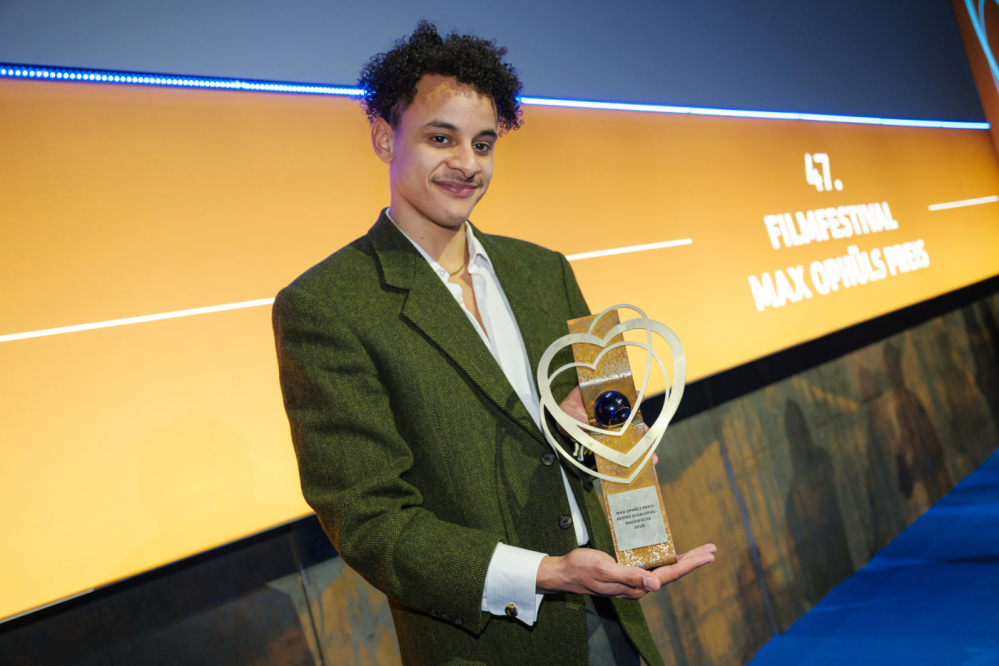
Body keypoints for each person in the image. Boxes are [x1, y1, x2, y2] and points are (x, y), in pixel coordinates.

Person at [273, 20, 716, 665]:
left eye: (482, 143)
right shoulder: (327, 305)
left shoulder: (543, 270)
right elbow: (371, 523)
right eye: (440, 138)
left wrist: (616, 486)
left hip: (613, 617)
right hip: (487, 646)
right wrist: (546, 573)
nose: (467, 164)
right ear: (383, 136)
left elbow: (597, 446)